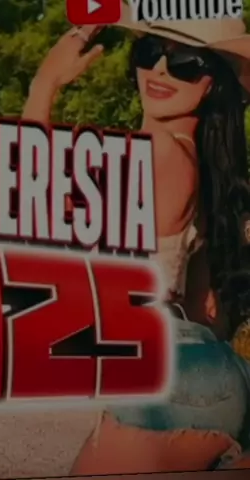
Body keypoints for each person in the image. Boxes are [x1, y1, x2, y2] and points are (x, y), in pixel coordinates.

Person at [22, 6, 250, 475]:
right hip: (203, 367)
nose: (161, 69)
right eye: (150, 52)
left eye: (186, 62)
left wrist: (44, 86)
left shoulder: (160, 153)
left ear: (213, 85)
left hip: (167, 374)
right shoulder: (203, 172)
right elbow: (207, 313)